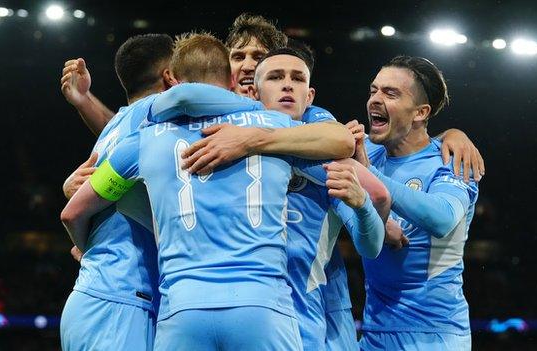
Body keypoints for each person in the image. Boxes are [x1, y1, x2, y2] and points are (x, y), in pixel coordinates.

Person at [61, 32, 380, 351]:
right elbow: (346, 148)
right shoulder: (279, 129)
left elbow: (73, 210)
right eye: (239, 58)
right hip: (265, 310)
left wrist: (88, 241)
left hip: (181, 312)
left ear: (173, 79)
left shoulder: (146, 137)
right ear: (233, 79)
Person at [58, 33, 174, 351]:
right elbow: (71, 213)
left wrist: (84, 99)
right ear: (171, 76)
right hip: (121, 300)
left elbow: (132, 147)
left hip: (100, 297)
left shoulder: (120, 125)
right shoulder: (160, 117)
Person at [359, 56, 479, 351]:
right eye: (373, 90)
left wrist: (367, 177)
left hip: (434, 335)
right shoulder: (369, 152)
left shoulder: (452, 161)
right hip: (374, 331)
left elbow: (443, 217)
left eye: (390, 93)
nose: (375, 99)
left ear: (420, 112)